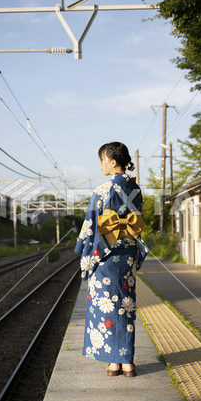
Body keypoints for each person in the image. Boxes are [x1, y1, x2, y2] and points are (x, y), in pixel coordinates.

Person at [74, 142, 148, 377]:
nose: (101, 164)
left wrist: (82, 248)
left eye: (103, 160)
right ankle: (127, 363)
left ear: (113, 162)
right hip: (126, 255)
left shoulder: (102, 191)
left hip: (104, 257)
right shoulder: (135, 188)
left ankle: (113, 363)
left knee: (104, 308)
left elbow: (90, 225)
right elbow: (137, 222)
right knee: (125, 306)